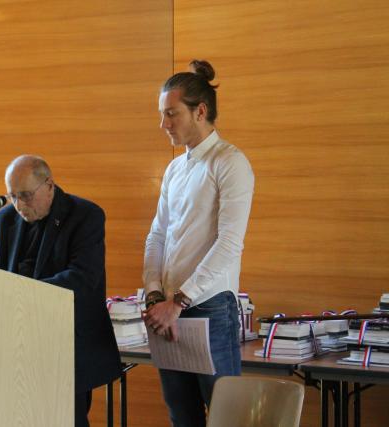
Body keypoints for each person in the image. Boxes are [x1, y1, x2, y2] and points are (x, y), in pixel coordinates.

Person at [142, 60, 254, 426]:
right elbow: (157, 234)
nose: (164, 125)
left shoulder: (230, 162)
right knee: (182, 417)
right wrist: (156, 296)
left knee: (225, 418)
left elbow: (229, 244)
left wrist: (180, 300)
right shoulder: (175, 168)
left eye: (171, 114)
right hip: (169, 310)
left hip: (209, 309)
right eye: (162, 115)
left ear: (200, 111)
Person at [0, 155, 121, 427]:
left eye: (26, 195)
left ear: (49, 185)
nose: (20, 205)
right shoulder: (3, 221)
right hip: (17, 347)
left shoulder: (85, 215)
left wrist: (22, 294)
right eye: (12, 196)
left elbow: (82, 278)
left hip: (67, 346)